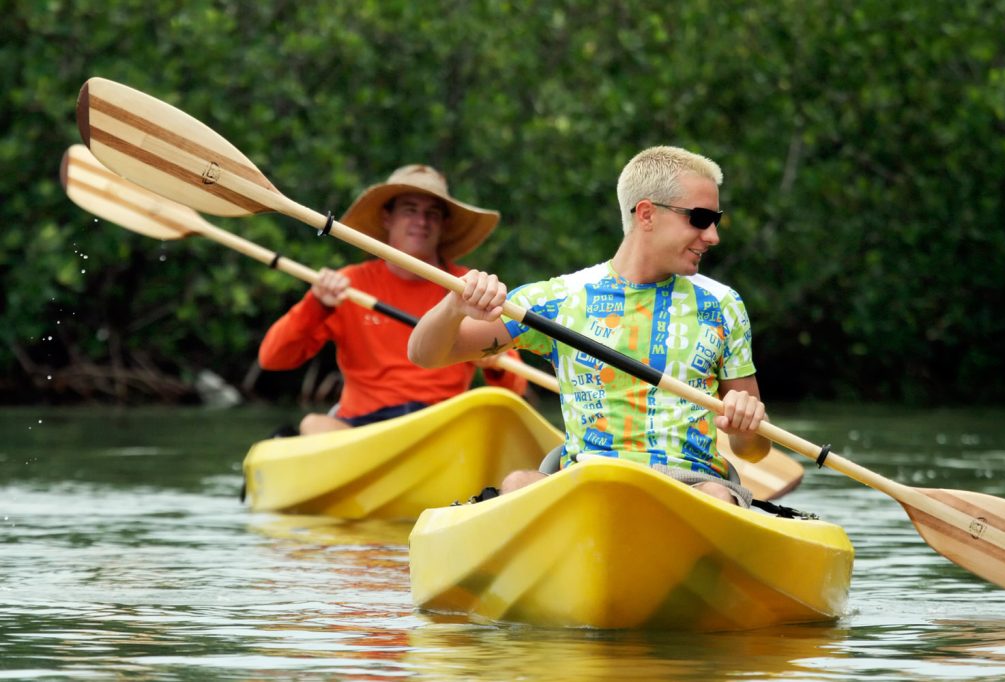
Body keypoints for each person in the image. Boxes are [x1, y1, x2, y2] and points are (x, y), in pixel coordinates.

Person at [407, 145, 769, 506]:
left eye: (715, 220)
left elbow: (753, 451)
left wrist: (746, 428)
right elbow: (425, 355)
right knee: (518, 481)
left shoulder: (723, 306)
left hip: (691, 486)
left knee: (718, 495)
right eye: (700, 218)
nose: (713, 236)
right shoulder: (556, 300)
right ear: (646, 214)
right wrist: (454, 306)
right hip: (585, 481)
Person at [259, 164, 527, 435]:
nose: (421, 222)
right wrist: (317, 304)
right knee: (313, 424)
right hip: (361, 428)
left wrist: (494, 366)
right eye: (410, 210)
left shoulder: (468, 287)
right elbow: (272, 359)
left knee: (486, 418)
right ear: (388, 218)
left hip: (442, 425)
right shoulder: (349, 284)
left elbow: (516, 389)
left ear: (444, 225)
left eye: (431, 214)